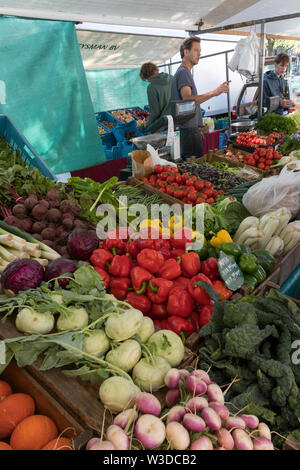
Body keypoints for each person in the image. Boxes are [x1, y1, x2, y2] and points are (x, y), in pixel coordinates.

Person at [171, 36, 230, 159]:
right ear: (186, 52)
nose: (200, 54)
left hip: (188, 129)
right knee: (195, 167)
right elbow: (188, 100)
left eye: (200, 51)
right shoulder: (183, 72)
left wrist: (198, 126)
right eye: (196, 50)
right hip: (188, 130)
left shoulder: (183, 72)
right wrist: (215, 92)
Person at [139, 62, 172, 132]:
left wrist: (145, 125)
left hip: (164, 124)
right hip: (178, 119)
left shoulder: (151, 87)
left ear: (147, 76)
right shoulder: (172, 78)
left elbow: (155, 113)